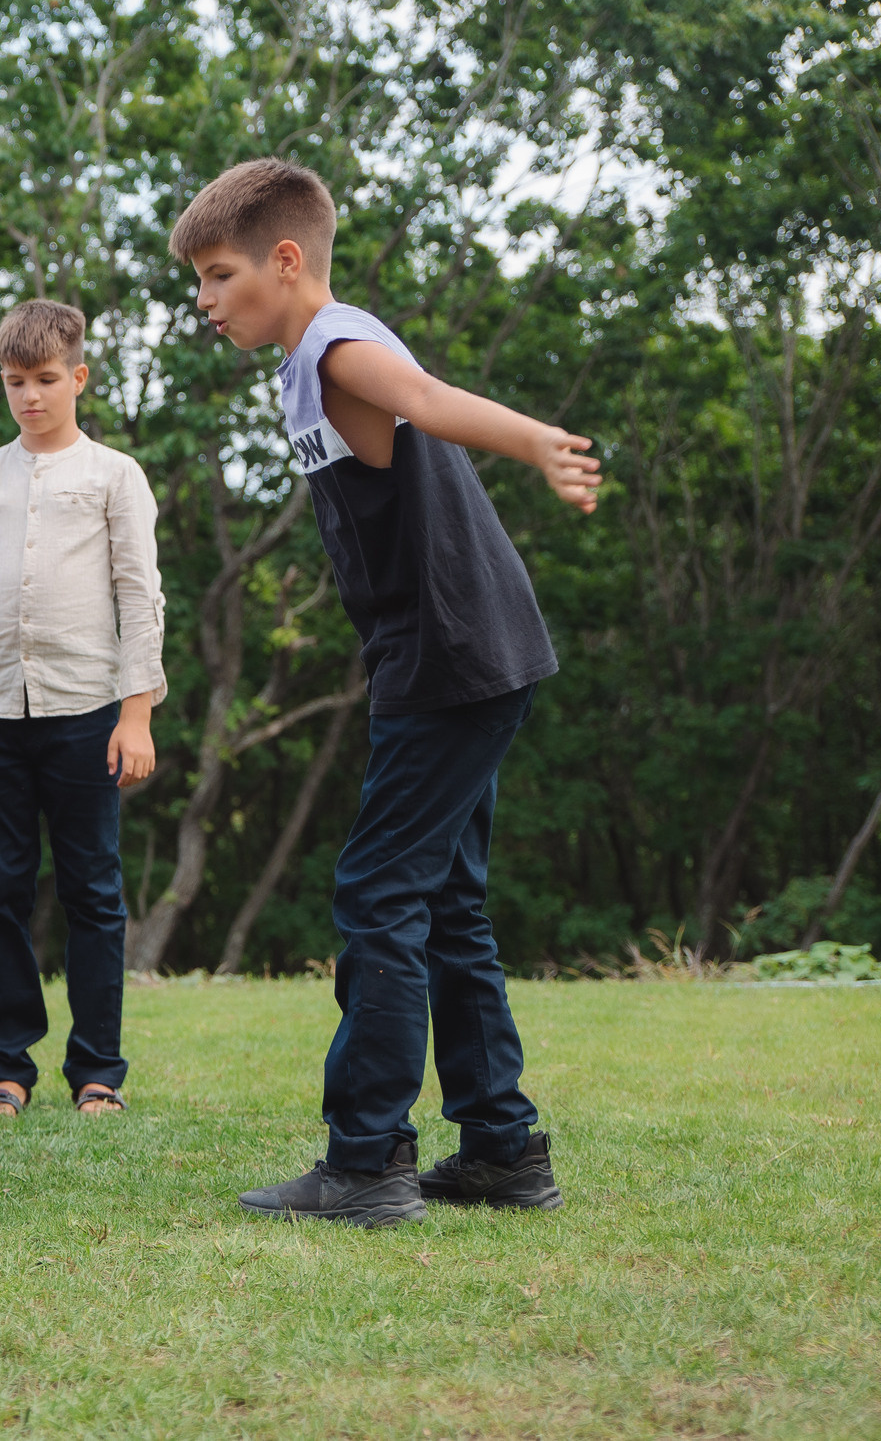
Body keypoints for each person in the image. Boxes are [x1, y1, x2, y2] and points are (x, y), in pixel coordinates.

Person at [171, 158, 597, 1226]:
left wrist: (539, 440)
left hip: (448, 656)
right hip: (464, 651)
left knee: (377, 897)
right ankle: (501, 1148)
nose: (205, 302)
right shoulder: (309, 355)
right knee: (445, 902)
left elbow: (425, 401)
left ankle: (365, 1159)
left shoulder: (334, 342)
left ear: (283, 260)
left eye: (219, 276)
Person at [0, 298, 166, 1121]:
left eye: (47, 379)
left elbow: (140, 594)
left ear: (79, 377)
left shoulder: (114, 475)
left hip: (89, 709)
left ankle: (98, 1072)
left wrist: (138, 714)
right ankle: (6, 1068)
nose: (30, 395)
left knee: (93, 888)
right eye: (16, 381)